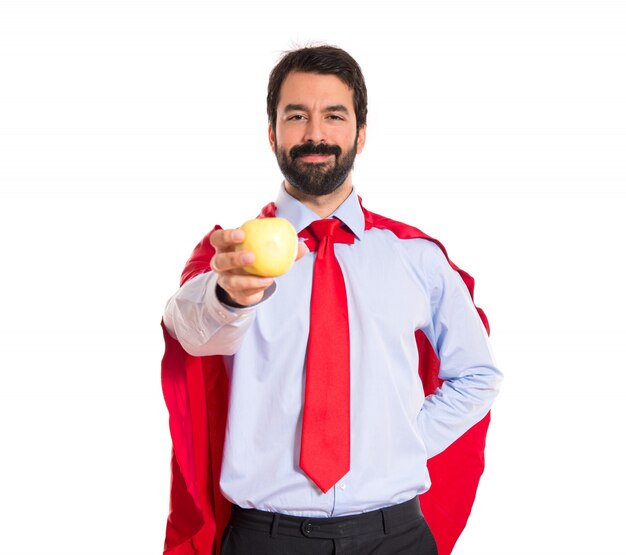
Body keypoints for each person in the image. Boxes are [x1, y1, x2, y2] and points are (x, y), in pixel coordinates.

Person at [161, 45, 502, 555]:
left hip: (396, 536)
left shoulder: (417, 258)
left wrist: (402, 443)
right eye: (296, 116)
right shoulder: (230, 254)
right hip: (264, 539)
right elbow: (191, 329)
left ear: (360, 134)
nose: (315, 134)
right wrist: (228, 296)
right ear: (272, 132)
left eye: (334, 116)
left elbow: (478, 375)